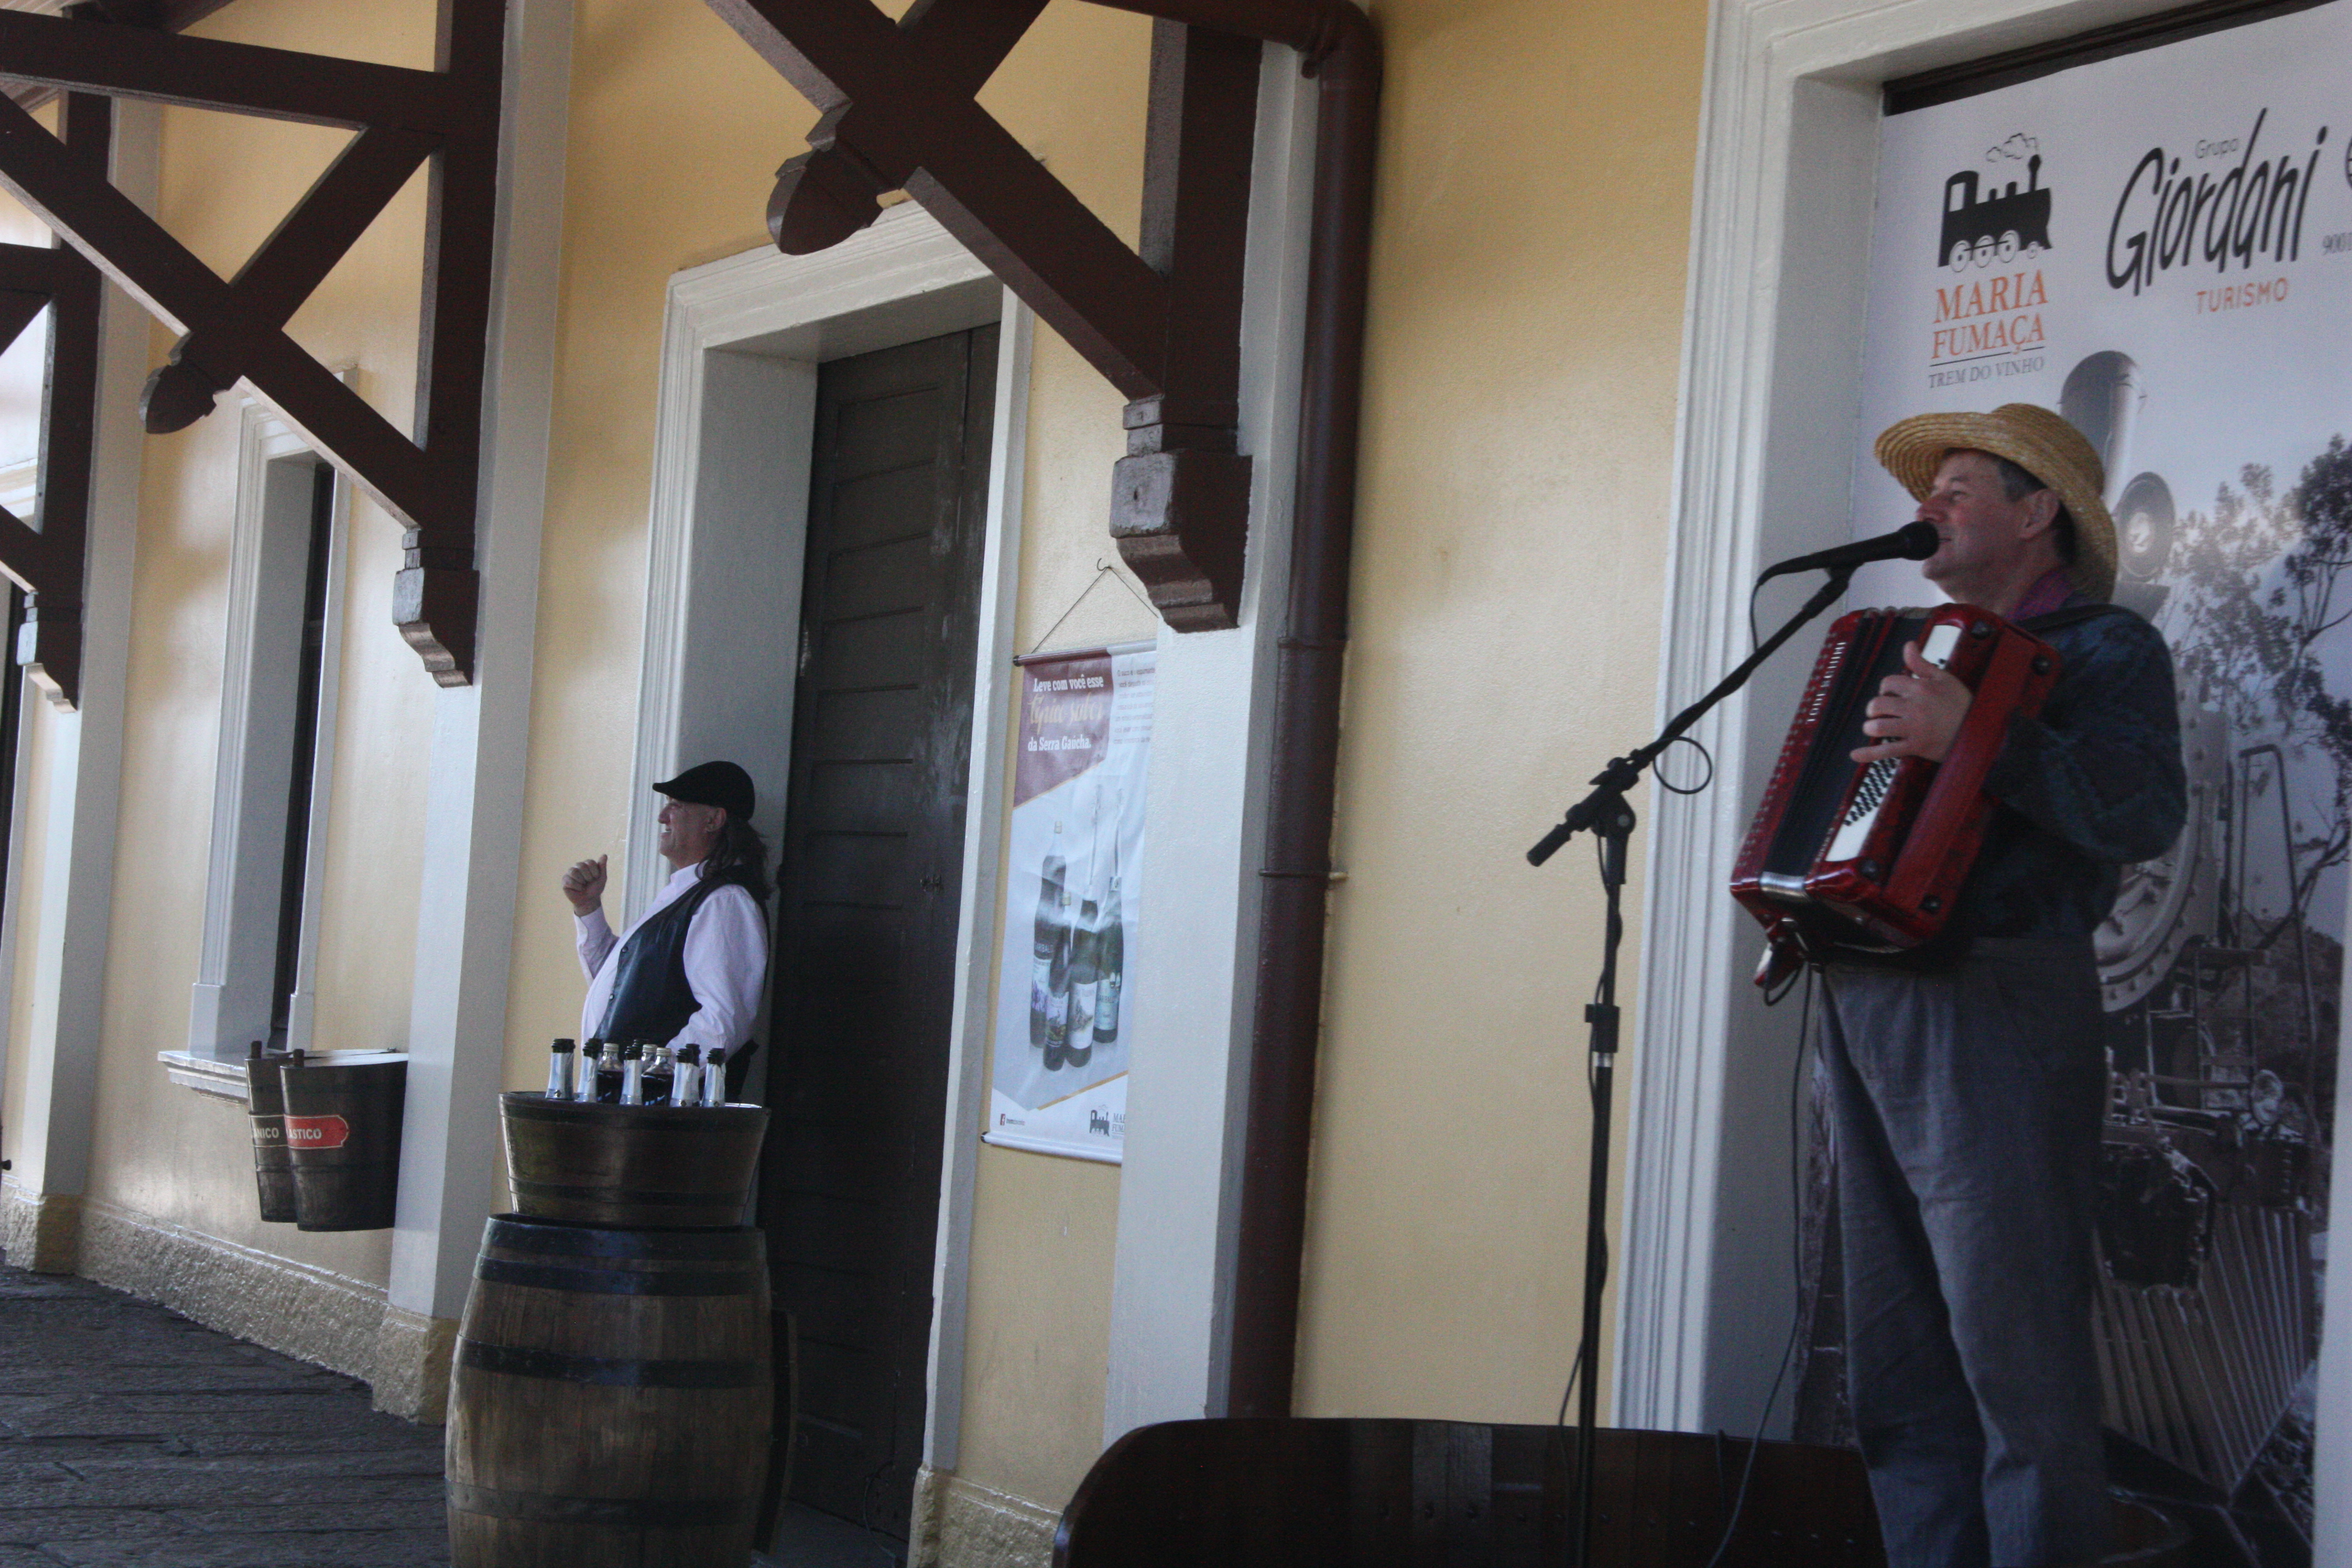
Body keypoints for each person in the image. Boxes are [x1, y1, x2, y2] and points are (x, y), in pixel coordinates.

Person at [1819, 404, 2185, 1567]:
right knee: (1899, 1363)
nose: (1929, 508)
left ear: (2039, 517)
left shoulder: (2110, 649)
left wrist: (1979, 733)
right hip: (1873, 989)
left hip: (1999, 994)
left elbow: (2138, 811)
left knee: (2015, 1361)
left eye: (1961, 488)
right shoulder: (1906, 649)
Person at [562, 760, 772, 1092]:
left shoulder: (724, 902)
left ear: (714, 820)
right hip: (631, 1102)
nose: (662, 817)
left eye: (675, 806)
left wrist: (641, 1077)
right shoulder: (689, 894)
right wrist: (588, 909)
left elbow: (722, 1024)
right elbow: (623, 984)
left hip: (659, 1115)